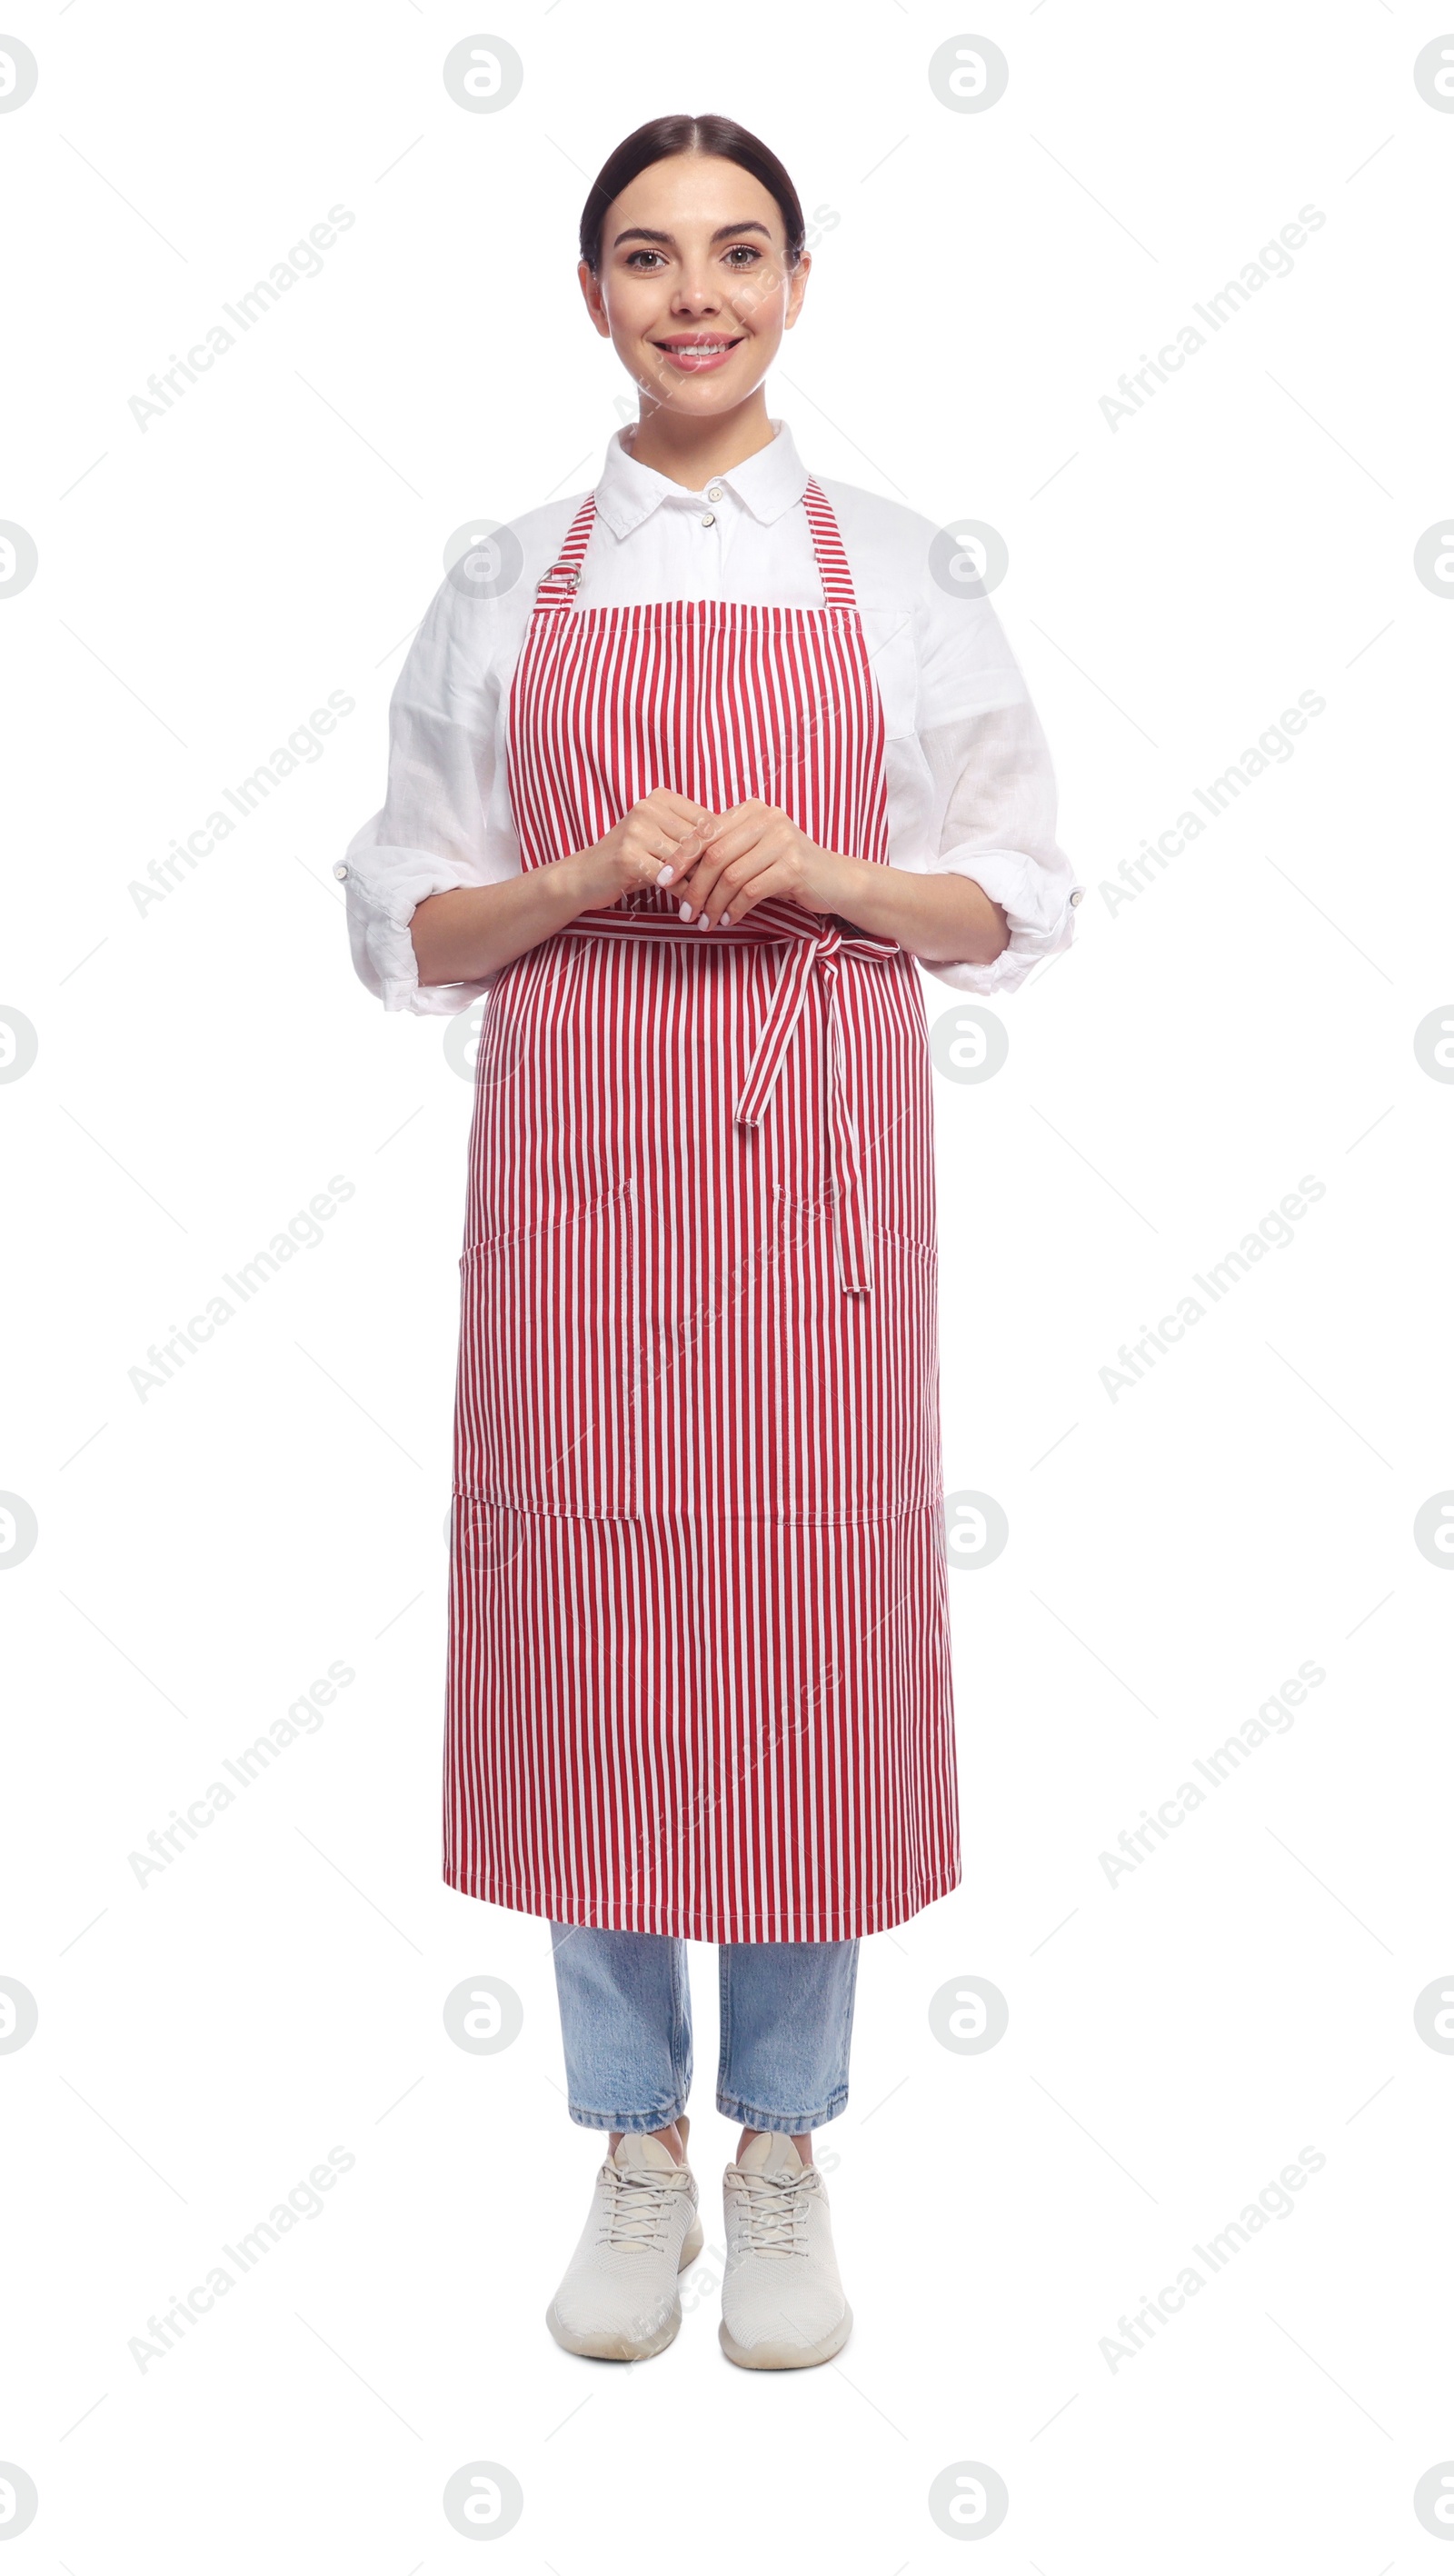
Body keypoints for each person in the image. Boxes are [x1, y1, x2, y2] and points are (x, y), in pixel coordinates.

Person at [340, 111, 1081, 2371]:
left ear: (793, 282)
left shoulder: (894, 565)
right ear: (590, 297)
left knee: (797, 1625)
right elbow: (399, 917)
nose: (695, 295)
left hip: (816, 1180)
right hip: (575, 1174)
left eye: (737, 253)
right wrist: (574, 881)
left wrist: (830, 873)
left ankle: (778, 2142)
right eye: (648, 257)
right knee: (585, 1611)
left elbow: (1021, 886)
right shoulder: (502, 580)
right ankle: (625, 2137)